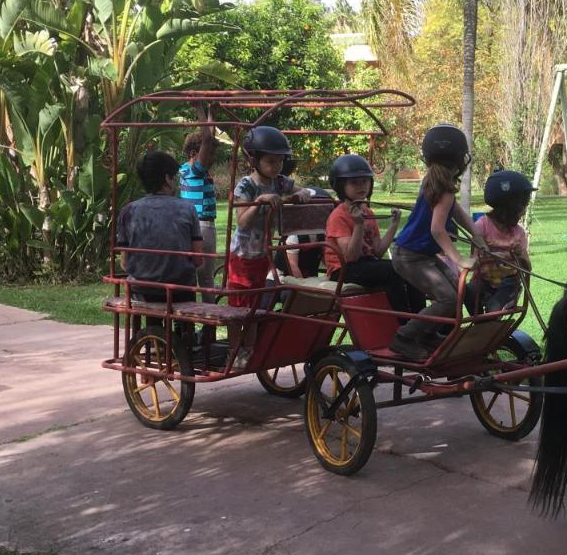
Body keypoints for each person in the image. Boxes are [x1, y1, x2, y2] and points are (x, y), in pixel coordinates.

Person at [388, 124, 479, 360]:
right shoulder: (443, 187)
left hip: (420, 255)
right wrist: (459, 260)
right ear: (461, 159)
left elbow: (455, 212)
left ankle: (427, 335)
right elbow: (438, 230)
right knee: (448, 298)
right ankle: (404, 337)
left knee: (458, 293)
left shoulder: (435, 181)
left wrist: (478, 237)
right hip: (409, 257)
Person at [228, 125, 312, 369]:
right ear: (255, 160)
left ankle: (250, 350)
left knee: (254, 307)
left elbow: (299, 189)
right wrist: (259, 201)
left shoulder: (280, 182)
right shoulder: (246, 186)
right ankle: (234, 351)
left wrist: (303, 192)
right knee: (237, 309)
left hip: (263, 256)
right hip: (242, 256)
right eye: (270, 161)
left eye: (280, 161)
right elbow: (242, 221)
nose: (276, 166)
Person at [324, 153, 424, 315]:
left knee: (410, 269)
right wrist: (358, 225)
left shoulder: (367, 212)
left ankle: (422, 321)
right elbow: (351, 257)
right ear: (341, 186)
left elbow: (377, 251)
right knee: (394, 272)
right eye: (354, 183)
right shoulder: (339, 216)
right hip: (343, 270)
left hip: (367, 264)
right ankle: (405, 325)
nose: (361, 186)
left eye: (364, 181)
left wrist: (393, 225)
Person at [116, 150, 203, 307]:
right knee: (183, 322)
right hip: (180, 289)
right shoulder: (188, 209)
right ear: (167, 179)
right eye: (174, 177)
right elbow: (198, 259)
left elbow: (124, 263)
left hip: (140, 290)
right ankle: (184, 331)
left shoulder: (127, 211)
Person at [467, 170, 534, 314]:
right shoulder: (482, 226)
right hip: (482, 281)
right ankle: (480, 327)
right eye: (522, 206)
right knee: (468, 293)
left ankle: (488, 326)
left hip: (508, 284)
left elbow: (528, 268)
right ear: (509, 206)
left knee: (494, 309)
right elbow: (474, 260)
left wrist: (520, 255)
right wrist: (497, 255)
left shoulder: (519, 233)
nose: (523, 211)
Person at [178, 104, 218, 303]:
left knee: (193, 276)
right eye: (209, 153)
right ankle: (208, 325)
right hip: (202, 227)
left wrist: (212, 112)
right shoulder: (196, 170)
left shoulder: (184, 169)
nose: (212, 157)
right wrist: (199, 108)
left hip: (188, 226)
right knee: (206, 279)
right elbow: (208, 139)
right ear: (195, 153)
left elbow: (208, 137)